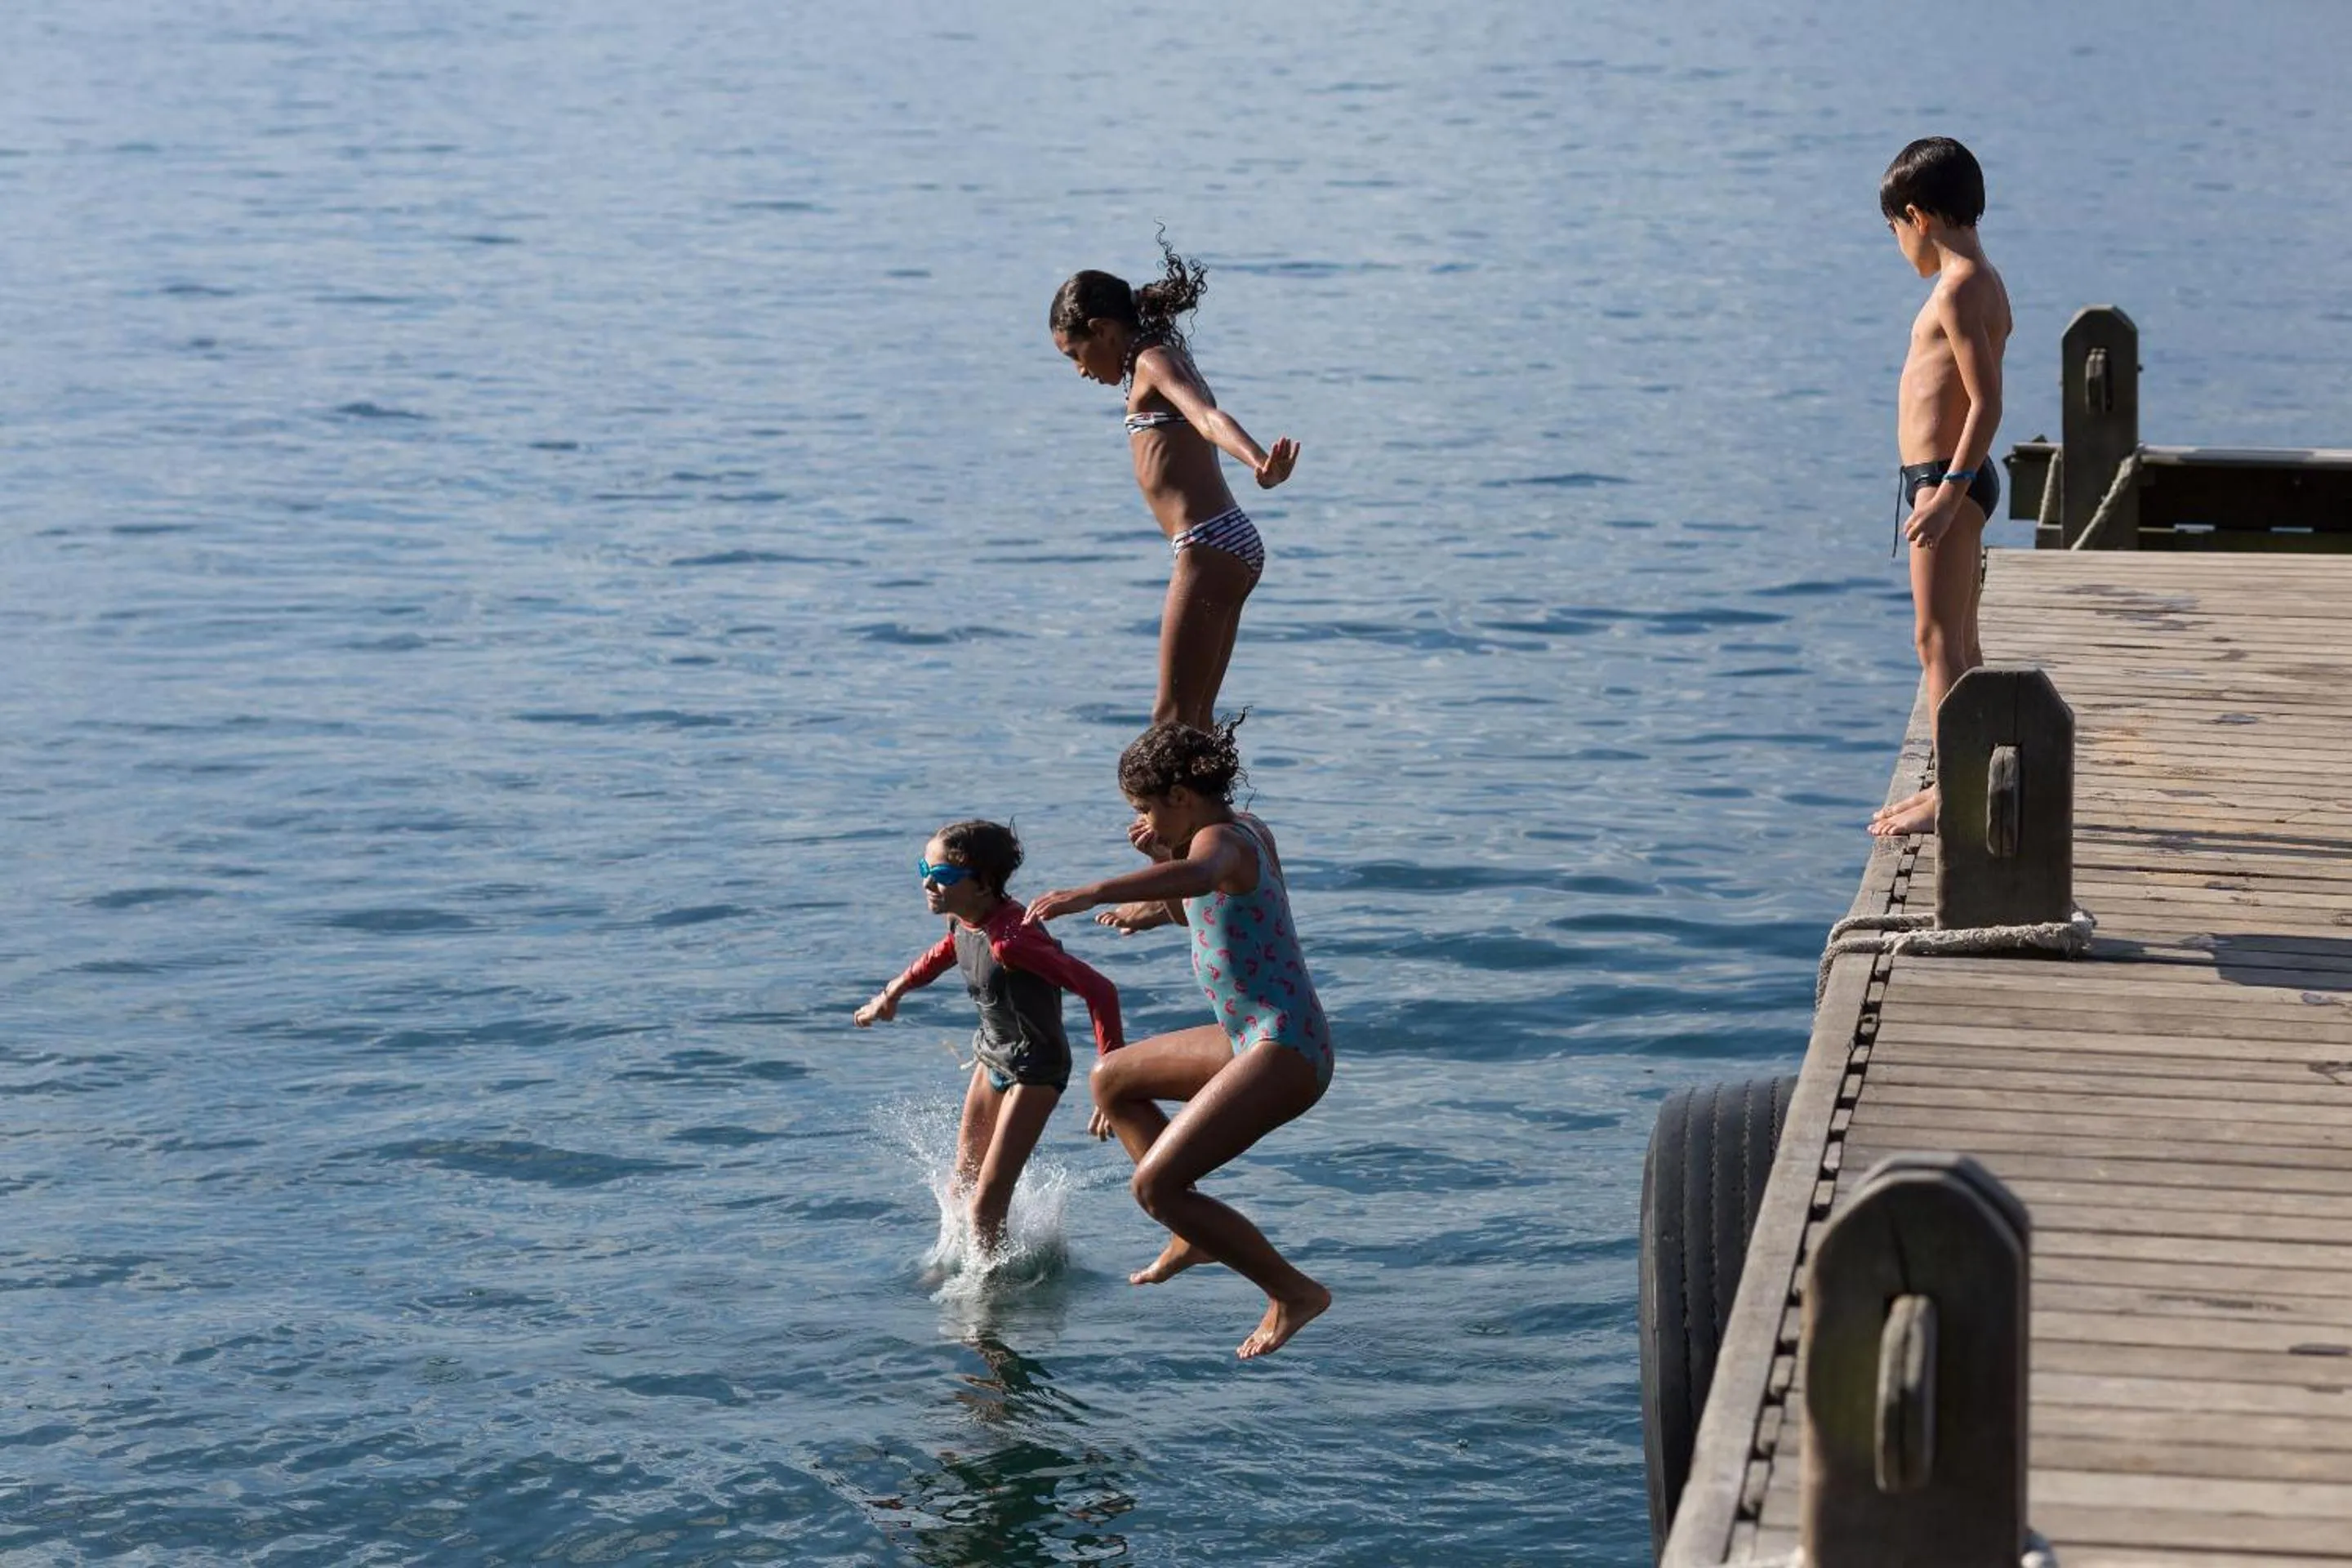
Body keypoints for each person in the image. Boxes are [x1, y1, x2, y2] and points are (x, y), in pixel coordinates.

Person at [1025, 719, 1332, 1359]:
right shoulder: (1238, 832)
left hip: (1284, 1049)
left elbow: (1201, 874)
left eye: (1146, 810)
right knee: (1112, 1080)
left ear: (1181, 797)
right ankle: (1191, 1231)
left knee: (1154, 1188)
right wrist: (1155, 874)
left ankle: (1293, 1292)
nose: (1143, 823)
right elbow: (1199, 898)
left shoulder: (1223, 840)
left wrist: (1090, 893)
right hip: (1247, 1036)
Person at [1047, 237, 1300, 736]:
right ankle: (1206, 786)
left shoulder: (1153, 361)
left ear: (1102, 330)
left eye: (1076, 354)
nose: (1079, 370)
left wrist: (1258, 462)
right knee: (1194, 716)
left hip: (1207, 543)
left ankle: (1169, 790)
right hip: (1228, 540)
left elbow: (1207, 419)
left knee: (1170, 719)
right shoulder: (1162, 356)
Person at [854, 819, 1125, 1258]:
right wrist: (891, 994)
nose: (927, 883)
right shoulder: (966, 919)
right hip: (992, 1055)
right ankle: (968, 1266)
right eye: (924, 869)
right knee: (960, 1185)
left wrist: (1113, 1081)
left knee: (984, 1208)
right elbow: (946, 951)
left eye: (942, 875)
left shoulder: (1013, 942)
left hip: (1035, 1070)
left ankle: (988, 1295)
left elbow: (1101, 990)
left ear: (983, 884)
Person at [1871, 136, 2012, 839]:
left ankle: (1951, 794)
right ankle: (1969, 778)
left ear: (1918, 216)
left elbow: (1986, 403)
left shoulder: (1957, 290)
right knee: (1962, 643)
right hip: (1952, 479)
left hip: (1944, 482)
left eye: (1894, 228)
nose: (1899, 245)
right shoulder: (1983, 278)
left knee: (1935, 642)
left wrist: (1947, 494)